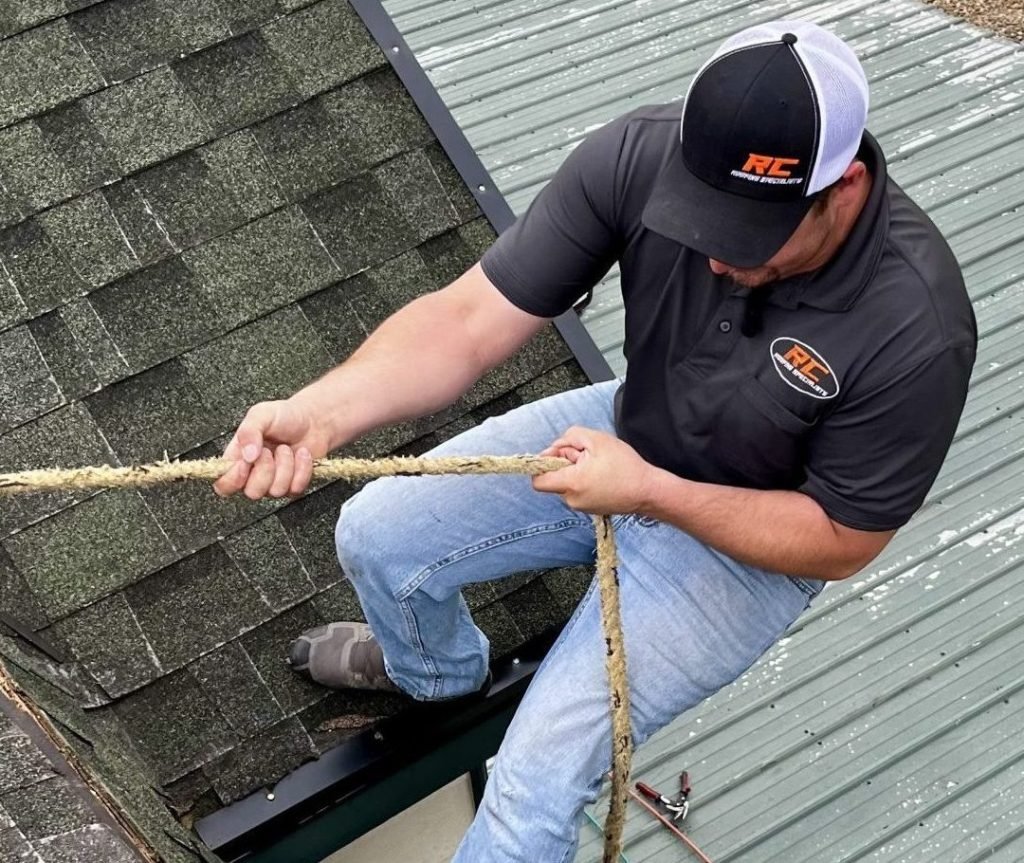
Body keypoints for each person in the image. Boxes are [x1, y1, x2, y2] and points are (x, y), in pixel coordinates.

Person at [214, 20, 976, 862]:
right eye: (704, 220)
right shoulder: (636, 155)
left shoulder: (917, 325)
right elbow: (466, 320)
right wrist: (322, 412)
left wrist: (651, 492)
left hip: (751, 548)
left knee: (532, 789)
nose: (717, 258)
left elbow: (840, 539)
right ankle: (435, 677)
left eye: (748, 236)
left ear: (845, 187)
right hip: (626, 434)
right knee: (376, 533)